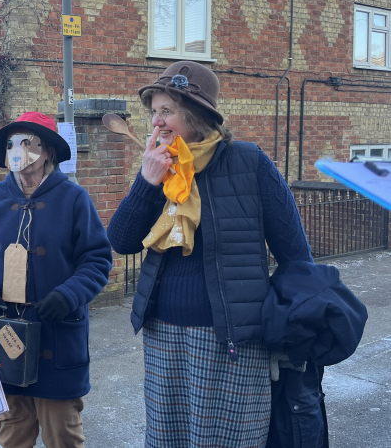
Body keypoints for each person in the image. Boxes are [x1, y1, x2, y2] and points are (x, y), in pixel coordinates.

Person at [107, 61, 314, 447]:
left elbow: (297, 257)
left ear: (197, 114)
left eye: (166, 111)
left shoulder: (250, 164)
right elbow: (120, 241)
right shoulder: (161, 169)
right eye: (154, 112)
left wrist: (287, 330)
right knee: (170, 439)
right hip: (163, 333)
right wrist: (146, 182)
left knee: (231, 440)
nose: (156, 123)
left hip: (234, 339)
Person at [0, 112, 112, 448]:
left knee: (63, 436)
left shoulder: (74, 199)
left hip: (58, 338)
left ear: (48, 152)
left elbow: (97, 259)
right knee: (12, 432)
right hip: (4, 336)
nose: (19, 151)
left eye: (28, 143)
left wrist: (70, 294)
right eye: (13, 144)